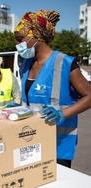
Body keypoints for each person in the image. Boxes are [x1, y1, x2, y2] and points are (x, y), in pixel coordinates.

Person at [14, 10, 91, 168]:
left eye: (20, 39)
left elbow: (89, 96)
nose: (17, 44)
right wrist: (17, 107)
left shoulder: (65, 63)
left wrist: (63, 113)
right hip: (30, 143)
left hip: (58, 148)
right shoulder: (26, 65)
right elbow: (30, 100)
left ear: (36, 36)